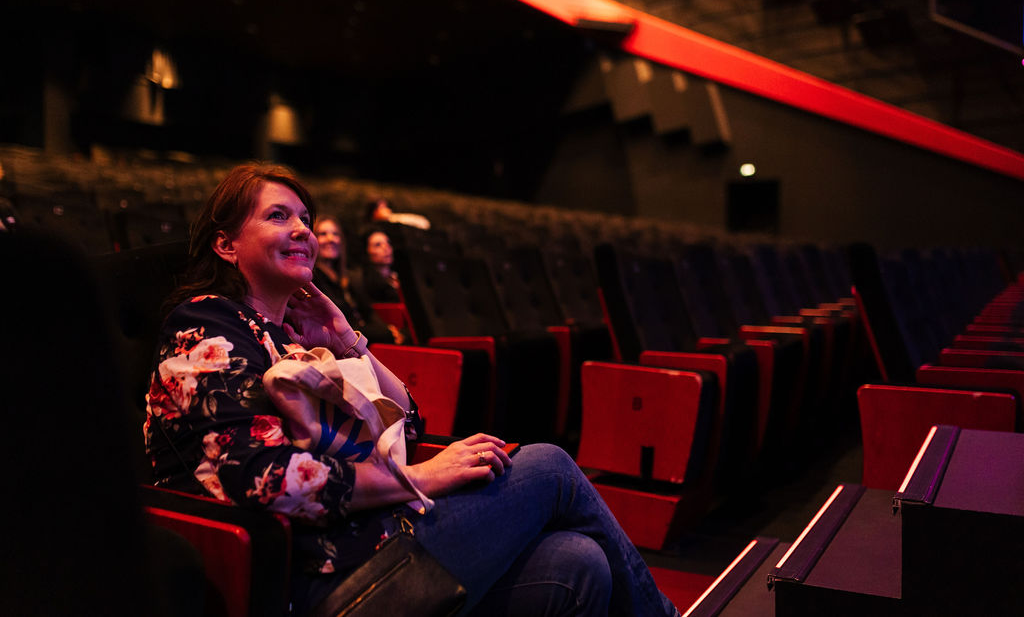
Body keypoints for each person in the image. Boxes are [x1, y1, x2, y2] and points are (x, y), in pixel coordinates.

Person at [144, 163, 678, 617]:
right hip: (314, 577)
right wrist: (418, 478)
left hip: (371, 540)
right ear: (226, 244)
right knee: (551, 467)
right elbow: (261, 478)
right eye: (279, 216)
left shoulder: (290, 336)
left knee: (580, 562)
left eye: (305, 217)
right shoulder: (206, 324)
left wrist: (346, 339)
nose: (303, 229)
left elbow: (409, 423)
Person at [312, 216, 406, 345]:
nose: (330, 239)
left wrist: (387, 329)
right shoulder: (314, 278)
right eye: (323, 234)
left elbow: (368, 311)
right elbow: (337, 327)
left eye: (335, 234)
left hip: (363, 340)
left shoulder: (346, 277)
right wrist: (385, 333)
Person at [361, 228, 403, 303]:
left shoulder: (399, 276)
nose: (386, 248)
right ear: (367, 251)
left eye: (388, 243)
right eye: (378, 245)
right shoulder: (364, 283)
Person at [365, 196, 431, 231]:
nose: (388, 210)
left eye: (387, 207)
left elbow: (423, 223)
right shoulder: (371, 229)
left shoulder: (393, 219)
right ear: (374, 212)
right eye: (383, 207)